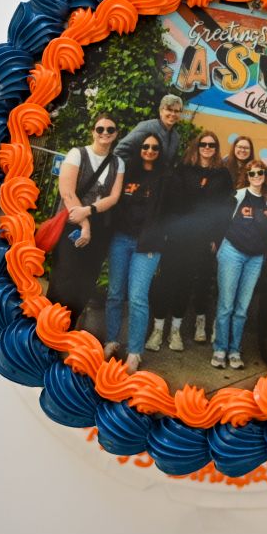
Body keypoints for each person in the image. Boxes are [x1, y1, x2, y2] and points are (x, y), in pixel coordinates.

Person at [149, 130, 233, 351]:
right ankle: (158, 330)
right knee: (165, 282)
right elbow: (169, 203)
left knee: (185, 284)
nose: (207, 148)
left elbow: (224, 210)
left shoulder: (222, 176)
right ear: (196, 147)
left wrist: (216, 237)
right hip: (176, 236)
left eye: (212, 145)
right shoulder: (182, 169)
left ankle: (175, 331)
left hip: (202, 240)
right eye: (203, 144)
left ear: (216, 149)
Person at [47, 116, 125, 327]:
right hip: (73, 222)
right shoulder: (77, 154)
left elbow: (114, 197)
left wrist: (89, 212)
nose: (105, 133)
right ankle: (48, 328)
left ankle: (68, 328)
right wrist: (84, 224)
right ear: (93, 131)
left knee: (86, 281)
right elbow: (67, 191)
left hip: (101, 226)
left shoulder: (118, 163)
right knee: (64, 277)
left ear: (116, 134)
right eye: (100, 128)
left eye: (110, 129)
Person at [103, 133, 168, 374]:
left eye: (154, 147)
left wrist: (161, 237)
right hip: (121, 238)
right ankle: (111, 341)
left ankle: (134, 352)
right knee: (115, 293)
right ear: (139, 149)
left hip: (148, 244)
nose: (150, 150)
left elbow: (170, 213)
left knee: (138, 297)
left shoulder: (165, 178)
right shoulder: (127, 172)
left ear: (159, 151)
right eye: (145, 146)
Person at [212, 160, 267, 369]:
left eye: (260, 172)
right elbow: (221, 221)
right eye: (252, 173)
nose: (257, 176)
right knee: (226, 304)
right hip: (232, 252)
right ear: (247, 175)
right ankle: (220, 348)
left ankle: (234, 350)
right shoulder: (238, 196)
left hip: (255, 258)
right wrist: (216, 245)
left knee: (242, 308)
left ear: (265, 175)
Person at [114, 94, 183, 166]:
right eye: (169, 109)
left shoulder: (176, 137)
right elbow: (120, 151)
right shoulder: (146, 127)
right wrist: (136, 169)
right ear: (161, 111)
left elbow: (170, 165)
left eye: (176, 111)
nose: (173, 114)